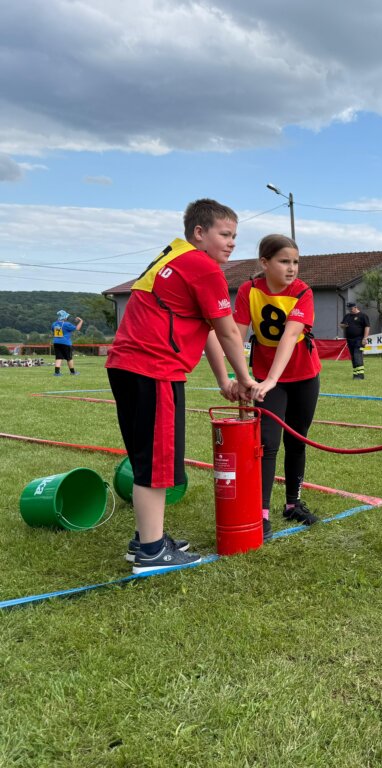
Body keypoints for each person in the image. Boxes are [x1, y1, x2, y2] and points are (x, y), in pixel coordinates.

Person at [106, 198, 255, 573]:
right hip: (154, 368)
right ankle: (152, 552)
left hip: (128, 365)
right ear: (200, 233)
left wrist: (225, 380)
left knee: (147, 457)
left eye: (235, 235)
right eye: (225, 234)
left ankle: (145, 540)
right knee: (155, 463)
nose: (232, 242)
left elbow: (203, 327)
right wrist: (246, 378)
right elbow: (227, 332)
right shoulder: (202, 267)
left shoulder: (174, 257)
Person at [234, 234, 322, 541]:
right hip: (266, 378)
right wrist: (242, 376)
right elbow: (236, 334)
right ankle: (261, 513)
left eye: (296, 262)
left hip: (303, 376)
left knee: (297, 441)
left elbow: (290, 335)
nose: (292, 268)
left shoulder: (303, 292)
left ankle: (292, 503)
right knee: (268, 443)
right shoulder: (248, 290)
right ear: (264, 263)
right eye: (284, 261)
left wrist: (271, 378)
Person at [340, 301, 371, 379]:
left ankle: (360, 375)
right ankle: (355, 374)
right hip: (350, 340)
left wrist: (365, 338)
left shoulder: (363, 316)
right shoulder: (347, 316)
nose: (350, 310)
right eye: (349, 309)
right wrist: (343, 325)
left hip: (359, 339)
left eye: (351, 308)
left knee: (358, 356)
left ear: (355, 307)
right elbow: (341, 325)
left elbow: (367, 327)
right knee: (353, 357)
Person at [51, 310, 83, 376]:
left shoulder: (54, 324)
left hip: (56, 342)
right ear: (64, 317)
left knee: (58, 357)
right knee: (69, 358)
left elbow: (53, 331)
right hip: (65, 343)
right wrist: (81, 321)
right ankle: (73, 372)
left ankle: (57, 373)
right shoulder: (67, 324)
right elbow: (77, 328)